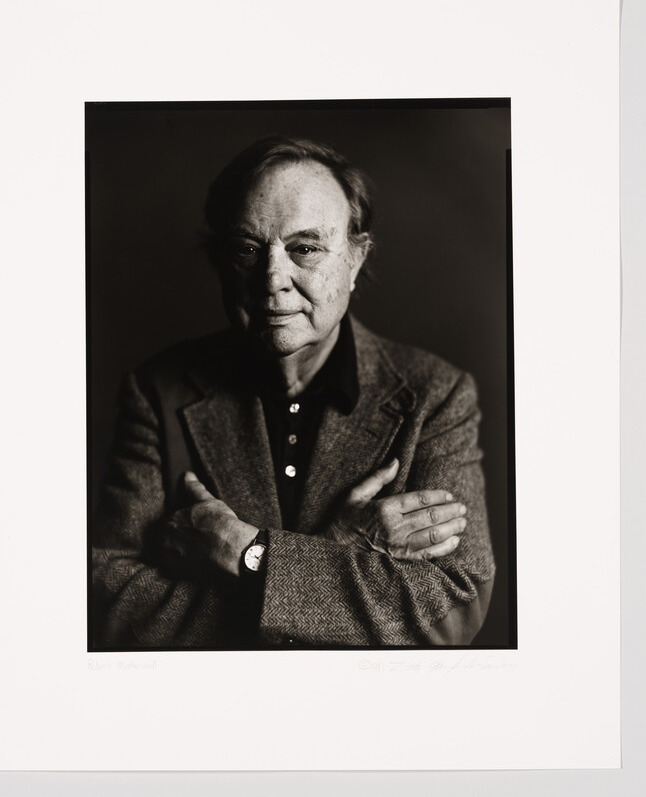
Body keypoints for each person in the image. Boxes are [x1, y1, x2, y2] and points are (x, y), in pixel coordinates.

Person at [91, 136, 495, 649]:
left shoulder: (436, 393)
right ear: (219, 261)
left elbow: (453, 607)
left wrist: (245, 553)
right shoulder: (156, 390)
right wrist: (331, 555)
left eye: (304, 248)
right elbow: (111, 600)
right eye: (246, 250)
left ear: (355, 258)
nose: (271, 279)